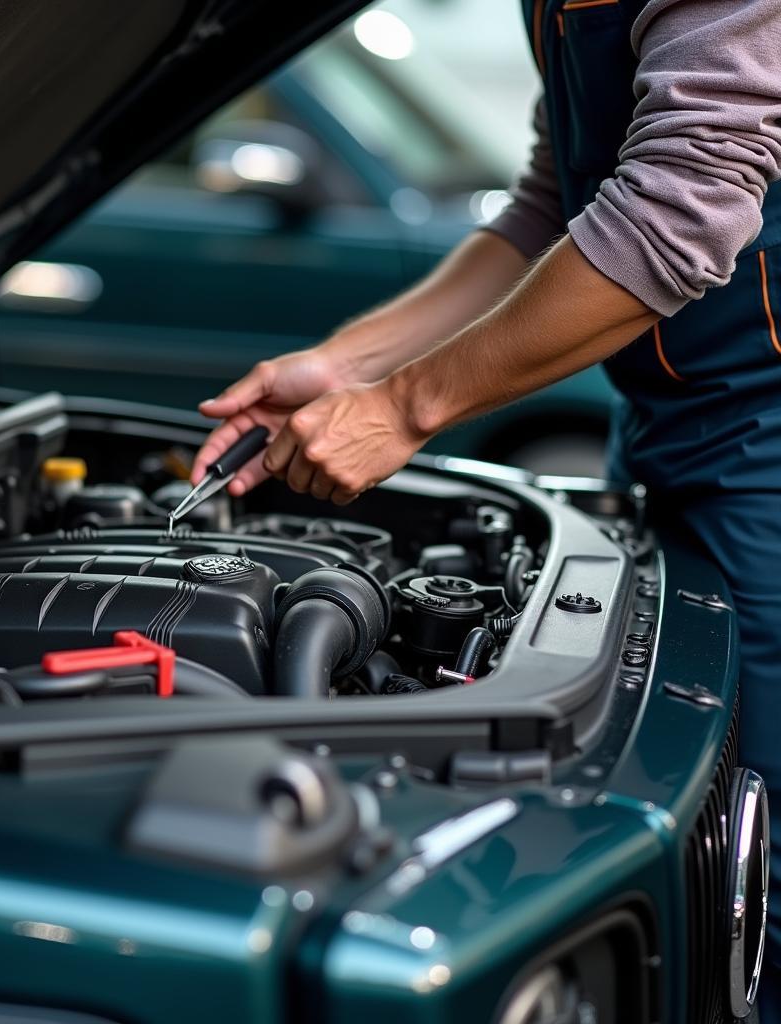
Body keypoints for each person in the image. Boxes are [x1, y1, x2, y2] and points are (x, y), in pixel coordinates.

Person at [192, 0, 781, 1017]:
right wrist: (349, 364)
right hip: (673, 427)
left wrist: (405, 407)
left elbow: (676, 213)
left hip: (769, 448)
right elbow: (550, 209)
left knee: (756, 875)